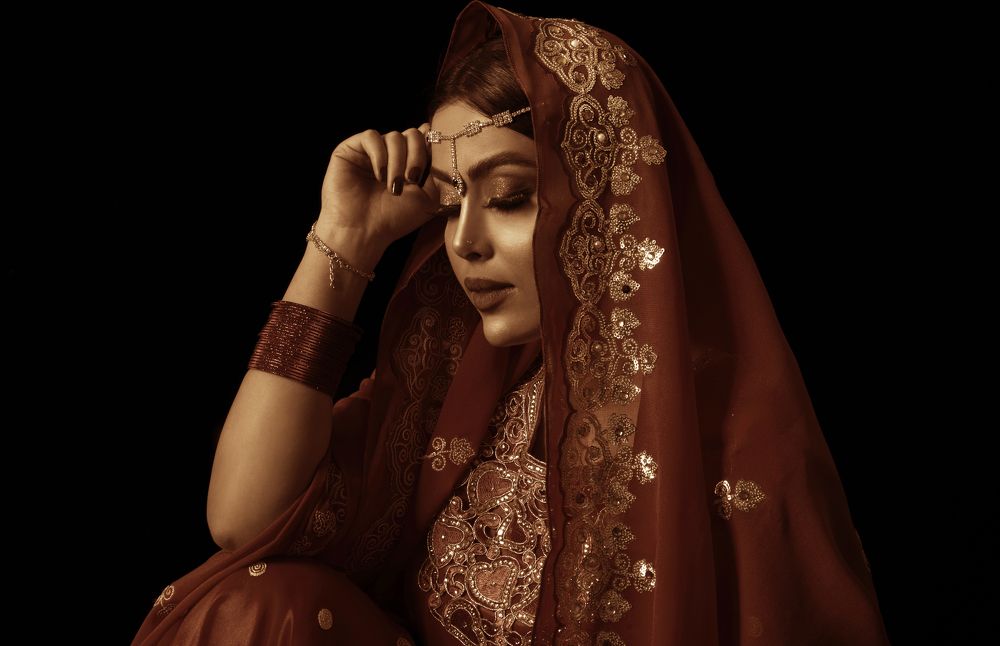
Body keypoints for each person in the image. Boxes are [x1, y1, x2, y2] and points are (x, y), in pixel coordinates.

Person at [132, 2, 892, 644]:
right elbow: (243, 520)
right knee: (266, 604)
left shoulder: (741, 446)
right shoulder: (463, 396)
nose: (463, 242)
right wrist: (346, 242)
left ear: (611, 206)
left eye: (508, 198)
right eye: (447, 202)